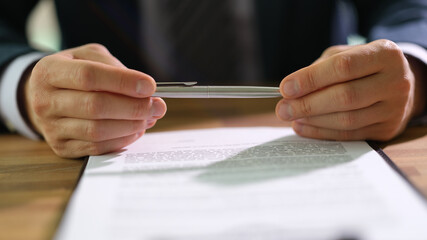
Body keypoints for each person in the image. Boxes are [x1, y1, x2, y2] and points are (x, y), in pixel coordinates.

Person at [0, 0, 426, 158]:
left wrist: (411, 71)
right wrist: (25, 87)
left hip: (314, 140)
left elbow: (412, 9)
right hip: (107, 148)